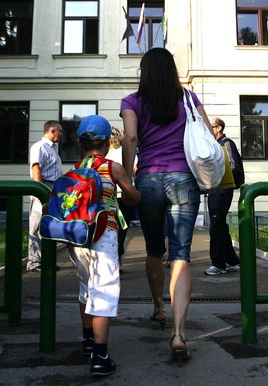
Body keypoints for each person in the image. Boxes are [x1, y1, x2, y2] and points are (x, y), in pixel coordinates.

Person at [120, 47, 214, 362]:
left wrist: (128, 181)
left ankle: (159, 307)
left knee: (153, 249)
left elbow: (131, 139)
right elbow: (205, 131)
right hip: (184, 180)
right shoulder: (187, 97)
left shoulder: (131, 101)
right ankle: (178, 333)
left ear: (144, 72)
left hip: (147, 179)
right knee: (181, 254)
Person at [68, 115, 140, 376]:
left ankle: (87, 341)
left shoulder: (75, 168)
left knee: (85, 287)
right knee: (104, 290)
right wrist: (133, 192)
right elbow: (132, 195)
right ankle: (100, 356)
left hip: (78, 237)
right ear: (108, 143)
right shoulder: (112, 168)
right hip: (103, 234)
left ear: (79, 142)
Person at [205, 118, 243, 275]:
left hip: (222, 191)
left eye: (211, 127)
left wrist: (215, 176)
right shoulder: (215, 144)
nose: (208, 129)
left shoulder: (225, 143)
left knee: (216, 226)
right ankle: (232, 261)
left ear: (218, 128)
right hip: (215, 190)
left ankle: (218, 264)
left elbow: (234, 167)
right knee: (220, 225)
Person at [27, 120, 63, 272]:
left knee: (49, 225)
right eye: (60, 130)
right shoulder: (39, 147)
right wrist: (39, 190)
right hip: (43, 186)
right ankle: (34, 262)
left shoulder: (53, 149)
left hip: (53, 187)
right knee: (36, 225)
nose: (61, 134)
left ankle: (47, 260)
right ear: (52, 130)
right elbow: (36, 168)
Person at [104, 126, 135, 272]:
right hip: (124, 196)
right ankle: (119, 260)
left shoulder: (103, 154)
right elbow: (135, 170)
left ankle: (112, 261)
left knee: (108, 229)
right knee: (122, 230)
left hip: (107, 196)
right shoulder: (126, 152)